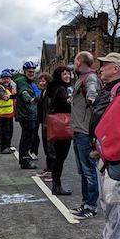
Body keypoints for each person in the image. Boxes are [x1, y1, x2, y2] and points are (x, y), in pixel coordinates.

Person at [86, 52, 120, 239]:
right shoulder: (112, 90)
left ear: (116, 68)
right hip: (105, 152)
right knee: (107, 198)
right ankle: (109, 237)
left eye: (105, 65)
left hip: (116, 154)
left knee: (118, 199)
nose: (101, 68)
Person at [69, 51, 102, 219]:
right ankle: (85, 203)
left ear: (80, 62)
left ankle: (90, 206)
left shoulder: (90, 78)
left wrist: (91, 98)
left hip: (85, 131)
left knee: (88, 171)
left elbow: (92, 93)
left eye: (75, 60)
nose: (74, 63)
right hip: (78, 129)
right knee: (83, 171)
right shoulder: (81, 79)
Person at [45, 66, 74, 196]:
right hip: (62, 126)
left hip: (55, 126)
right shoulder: (62, 89)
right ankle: (57, 186)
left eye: (68, 73)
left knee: (58, 157)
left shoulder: (54, 88)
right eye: (64, 74)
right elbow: (68, 103)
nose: (67, 76)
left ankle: (56, 185)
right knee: (60, 158)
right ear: (59, 76)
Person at [13, 61, 39, 169]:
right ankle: (24, 161)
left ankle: (25, 159)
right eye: (29, 71)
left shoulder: (29, 81)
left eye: (33, 71)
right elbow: (24, 92)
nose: (32, 73)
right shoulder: (23, 82)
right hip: (26, 114)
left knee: (29, 137)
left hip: (29, 113)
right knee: (26, 137)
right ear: (25, 71)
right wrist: (30, 100)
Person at [35, 72, 54, 179]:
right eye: (40, 81)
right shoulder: (43, 93)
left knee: (51, 149)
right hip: (44, 123)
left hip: (50, 124)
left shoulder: (50, 93)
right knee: (47, 148)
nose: (41, 83)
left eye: (43, 81)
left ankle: (52, 172)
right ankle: (48, 169)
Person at [0, 69, 16, 154]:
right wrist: (11, 95)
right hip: (2, 114)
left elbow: (12, 97)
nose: (6, 80)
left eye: (8, 78)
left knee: (9, 132)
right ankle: (3, 148)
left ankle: (8, 146)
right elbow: (4, 97)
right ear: (1, 79)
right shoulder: (0, 87)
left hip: (9, 114)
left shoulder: (9, 88)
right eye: (4, 78)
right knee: (4, 132)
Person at [30, 76, 42, 161]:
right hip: (35, 112)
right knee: (33, 133)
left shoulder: (33, 85)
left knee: (34, 133)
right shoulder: (31, 85)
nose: (41, 83)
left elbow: (37, 96)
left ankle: (33, 152)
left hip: (37, 112)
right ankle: (33, 152)